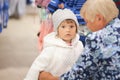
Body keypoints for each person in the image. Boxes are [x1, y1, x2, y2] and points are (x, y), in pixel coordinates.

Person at [39, 0, 120, 80]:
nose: (87, 26)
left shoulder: (96, 39)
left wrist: (50, 78)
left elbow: (78, 74)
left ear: (99, 18)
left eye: (87, 22)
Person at [24, 9, 84, 80]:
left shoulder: (79, 45)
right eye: (63, 27)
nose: (68, 30)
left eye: (71, 26)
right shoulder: (51, 49)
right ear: (57, 30)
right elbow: (36, 67)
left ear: (76, 28)